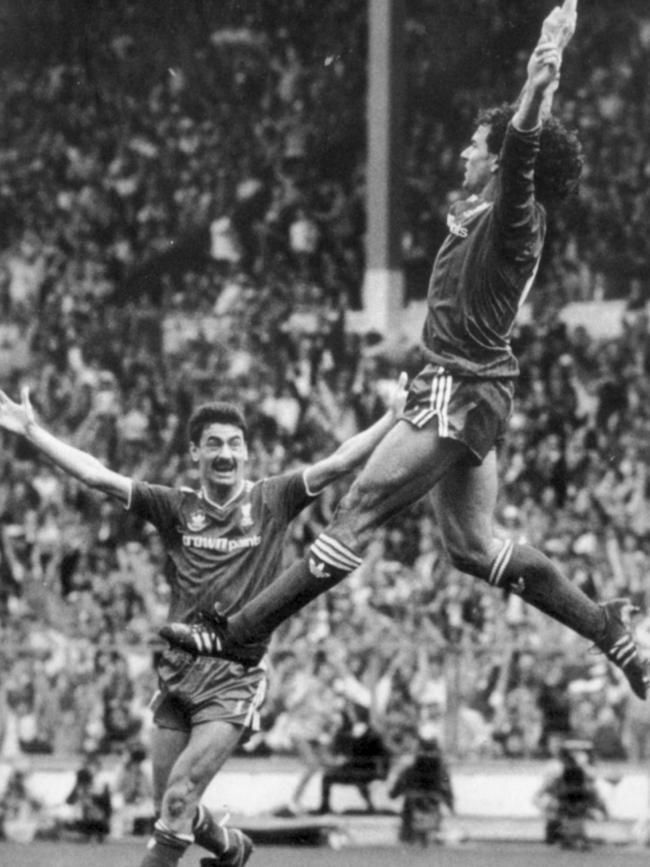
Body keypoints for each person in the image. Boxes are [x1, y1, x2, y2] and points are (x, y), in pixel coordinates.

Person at [161, 2, 649, 702]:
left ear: (502, 162)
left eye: (476, 146)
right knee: (472, 547)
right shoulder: (484, 217)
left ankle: (241, 631)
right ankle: (607, 625)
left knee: (354, 510)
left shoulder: (517, 214)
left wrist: (541, 81)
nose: (463, 152)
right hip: (470, 388)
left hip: (459, 385)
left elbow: (522, 148)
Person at [0, 374, 407, 867]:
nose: (225, 454)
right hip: (177, 671)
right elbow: (98, 476)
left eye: (235, 444)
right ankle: (230, 848)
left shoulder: (271, 499)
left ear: (247, 454)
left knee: (178, 798)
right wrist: (32, 432)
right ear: (195, 453)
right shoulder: (175, 507)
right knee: (168, 806)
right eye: (213, 444)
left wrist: (389, 418)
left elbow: (339, 462)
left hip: (234, 675)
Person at [388, 727, 454, 846]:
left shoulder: (410, 766)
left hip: (418, 802)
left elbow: (398, 787)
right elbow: (446, 787)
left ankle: (409, 834)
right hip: (427, 801)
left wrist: (394, 793)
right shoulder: (440, 767)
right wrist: (450, 803)